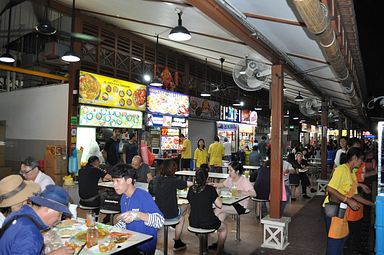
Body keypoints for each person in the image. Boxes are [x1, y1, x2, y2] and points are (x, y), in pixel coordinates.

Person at [323, 147, 374, 255]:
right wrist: (348, 200)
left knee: (342, 238)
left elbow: (354, 195)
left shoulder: (351, 173)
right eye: (361, 159)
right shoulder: (342, 169)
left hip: (342, 211)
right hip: (334, 209)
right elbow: (330, 188)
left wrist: (372, 204)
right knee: (334, 240)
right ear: (354, 158)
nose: (362, 162)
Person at [0, 185, 73, 255]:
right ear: (50, 209)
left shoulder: (17, 214)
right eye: (60, 214)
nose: (59, 219)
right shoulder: (32, 234)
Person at [112, 164, 164, 255]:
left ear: (129, 180)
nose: (114, 185)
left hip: (144, 246)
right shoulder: (124, 197)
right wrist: (112, 230)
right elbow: (126, 221)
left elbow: (160, 221)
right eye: (113, 181)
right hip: (130, 241)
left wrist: (137, 215)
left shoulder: (143, 196)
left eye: (118, 181)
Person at [208, 161, 255, 249]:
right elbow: (222, 184)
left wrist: (241, 191)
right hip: (230, 203)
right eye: (228, 170)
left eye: (230, 170)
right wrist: (213, 184)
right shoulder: (230, 178)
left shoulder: (244, 180)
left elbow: (254, 193)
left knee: (219, 208)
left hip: (241, 206)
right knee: (220, 218)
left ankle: (207, 225)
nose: (228, 172)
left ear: (237, 172)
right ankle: (219, 243)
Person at [153, 160, 193, 251]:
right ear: (173, 169)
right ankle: (177, 242)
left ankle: (175, 224)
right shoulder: (174, 180)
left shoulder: (157, 179)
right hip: (170, 213)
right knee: (185, 207)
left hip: (157, 212)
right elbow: (188, 184)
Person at [187, 167, 227, 255]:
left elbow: (192, 202)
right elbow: (219, 205)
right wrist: (217, 194)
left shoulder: (190, 189)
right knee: (223, 228)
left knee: (201, 230)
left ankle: (204, 248)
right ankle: (220, 251)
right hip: (208, 221)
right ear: (207, 178)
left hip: (193, 221)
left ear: (195, 178)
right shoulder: (210, 189)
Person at [78, 156, 112, 222]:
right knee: (106, 196)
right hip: (92, 201)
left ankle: (97, 218)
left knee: (96, 193)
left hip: (82, 200)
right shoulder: (95, 170)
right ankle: (104, 218)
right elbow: (109, 177)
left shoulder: (80, 170)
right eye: (98, 161)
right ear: (96, 161)